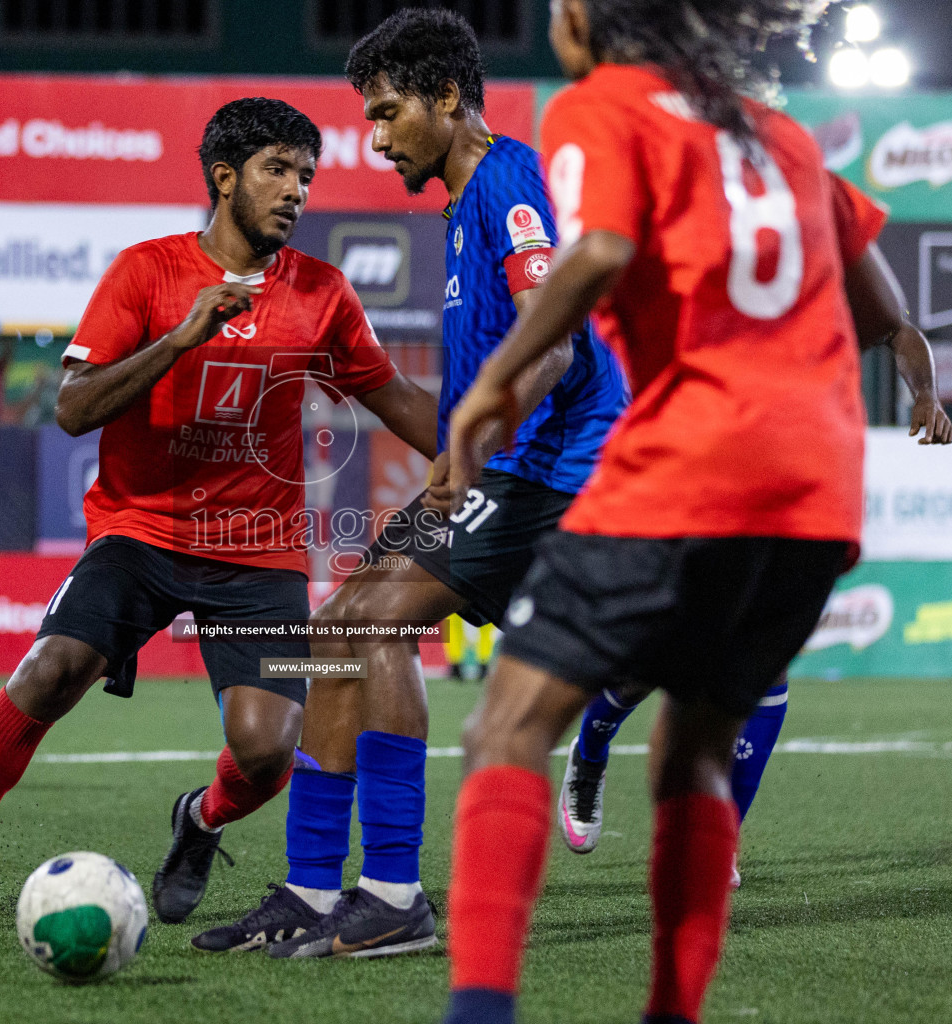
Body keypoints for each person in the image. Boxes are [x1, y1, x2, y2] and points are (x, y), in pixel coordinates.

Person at [0, 98, 441, 940]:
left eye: (306, 176)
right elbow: (73, 410)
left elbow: (394, 398)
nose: (296, 191)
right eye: (276, 170)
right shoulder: (144, 273)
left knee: (266, 750)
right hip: (140, 534)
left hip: (260, 553)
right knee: (50, 670)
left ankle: (201, 820)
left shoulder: (321, 294)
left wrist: (499, 459)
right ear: (224, 177)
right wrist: (178, 340)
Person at [439, 1, 908, 1021]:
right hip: (816, 494)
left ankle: (478, 1010)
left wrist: (495, 387)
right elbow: (877, 311)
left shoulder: (599, 104)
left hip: (691, 462)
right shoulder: (767, 129)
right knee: (696, 749)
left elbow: (598, 248)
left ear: (584, 21)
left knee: (506, 729)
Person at [195, 7, 628, 961]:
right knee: (339, 630)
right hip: (512, 466)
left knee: (363, 625)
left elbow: (553, 347)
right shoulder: (463, 205)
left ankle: (391, 893)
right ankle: (314, 892)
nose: (376, 137)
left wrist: (475, 444)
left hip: (554, 474)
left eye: (389, 113)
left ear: (448, 99)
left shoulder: (508, 177)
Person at [559, 184, 952, 878]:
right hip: (696, 445)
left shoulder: (814, 186)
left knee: (763, 657)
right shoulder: (678, 190)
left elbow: (896, 325)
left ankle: (719, 840)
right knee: (658, 647)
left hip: (796, 459)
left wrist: (924, 393)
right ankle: (592, 747)